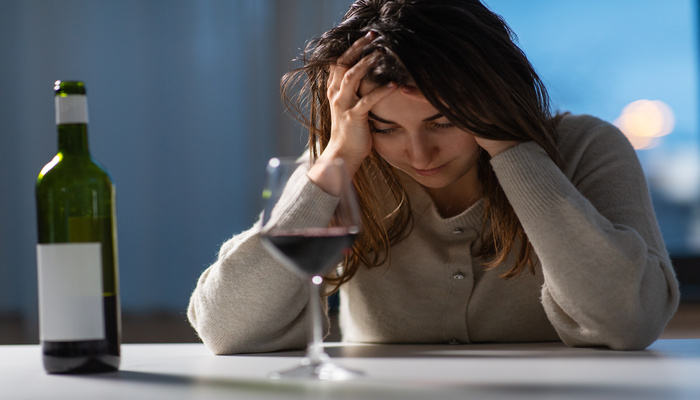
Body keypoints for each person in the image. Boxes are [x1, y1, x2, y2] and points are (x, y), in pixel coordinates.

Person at [188, 0, 680, 354]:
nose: (419, 153)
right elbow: (227, 327)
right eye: (386, 127)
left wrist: (506, 141)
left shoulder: (585, 148)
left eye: (444, 121)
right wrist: (333, 159)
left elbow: (628, 321)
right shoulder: (347, 162)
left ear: (493, 96)